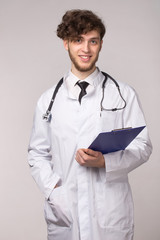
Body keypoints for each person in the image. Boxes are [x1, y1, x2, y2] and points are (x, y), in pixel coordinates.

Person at [28, 9, 152, 240]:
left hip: (110, 211)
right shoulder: (47, 100)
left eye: (92, 41)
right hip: (66, 209)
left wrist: (106, 161)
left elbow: (143, 147)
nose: (86, 49)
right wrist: (54, 191)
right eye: (78, 40)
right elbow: (37, 153)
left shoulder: (123, 94)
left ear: (101, 44)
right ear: (66, 43)